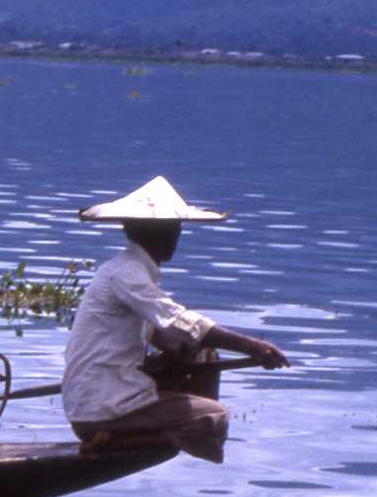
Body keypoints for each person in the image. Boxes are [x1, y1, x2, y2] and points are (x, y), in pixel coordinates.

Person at [62, 176, 288, 463]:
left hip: (97, 402)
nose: (176, 236)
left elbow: (162, 333)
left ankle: (146, 429)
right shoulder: (127, 273)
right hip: (100, 409)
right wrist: (253, 347)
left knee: (203, 354)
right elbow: (178, 320)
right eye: (171, 229)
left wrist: (181, 353)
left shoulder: (126, 269)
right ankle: (118, 440)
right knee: (214, 417)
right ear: (151, 233)